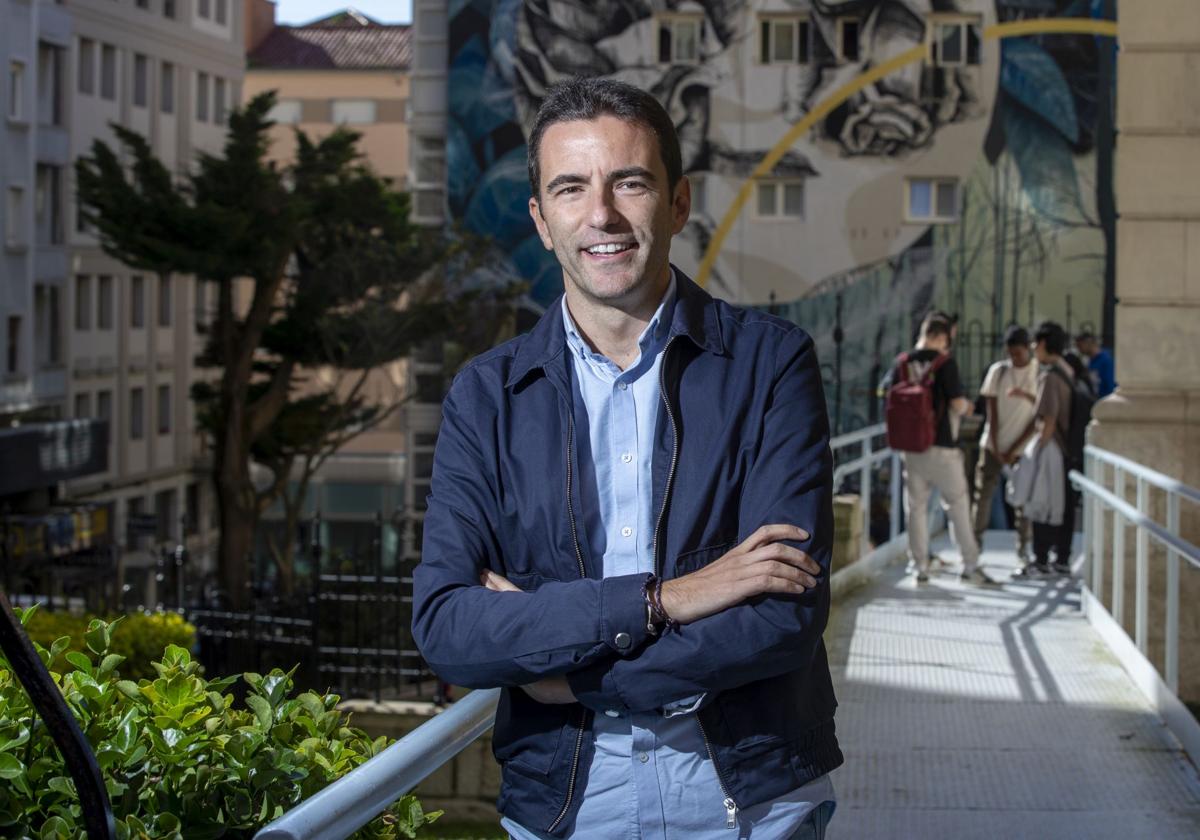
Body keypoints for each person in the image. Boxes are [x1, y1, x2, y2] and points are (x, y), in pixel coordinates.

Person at [412, 78, 841, 839]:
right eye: (571, 189)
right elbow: (448, 624)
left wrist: (566, 675)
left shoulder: (770, 366)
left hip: (754, 803)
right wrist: (663, 600)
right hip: (566, 809)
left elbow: (782, 616)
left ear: (676, 203)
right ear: (542, 221)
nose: (601, 215)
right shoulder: (487, 396)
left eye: (629, 183)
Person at [883, 316, 997, 586]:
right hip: (943, 447)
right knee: (957, 505)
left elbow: (886, 394)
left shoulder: (902, 363)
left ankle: (919, 567)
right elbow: (957, 404)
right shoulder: (944, 364)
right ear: (940, 336)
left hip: (910, 449)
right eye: (947, 339)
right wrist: (970, 408)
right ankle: (970, 566)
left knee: (916, 508)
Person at [1012, 322, 1077, 577]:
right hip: (1066, 449)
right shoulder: (1067, 371)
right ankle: (1061, 559)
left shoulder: (1049, 376)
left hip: (1051, 448)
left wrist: (1037, 450)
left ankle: (1040, 560)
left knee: (1041, 503)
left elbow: (1048, 418)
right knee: (1062, 505)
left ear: (1041, 344)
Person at [972, 325, 1037, 560]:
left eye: (1018, 354)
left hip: (1022, 447)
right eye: (1011, 354)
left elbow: (1038, 416)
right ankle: (974, 544)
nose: (1015, 359)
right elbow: (992, 412)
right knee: (984, 494)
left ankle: (1023, 548)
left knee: (1023, 500)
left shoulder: (1037, 374)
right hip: (992, 445)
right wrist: (998, 445)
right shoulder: (998, 372)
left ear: (1028, 350)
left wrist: (1013, 447)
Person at [1074, 331, 1116, 397]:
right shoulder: (1090, 361)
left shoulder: (1106, 360)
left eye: (1080, 346)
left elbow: (1110, 385)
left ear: (1087, 343)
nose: (1079, 350)